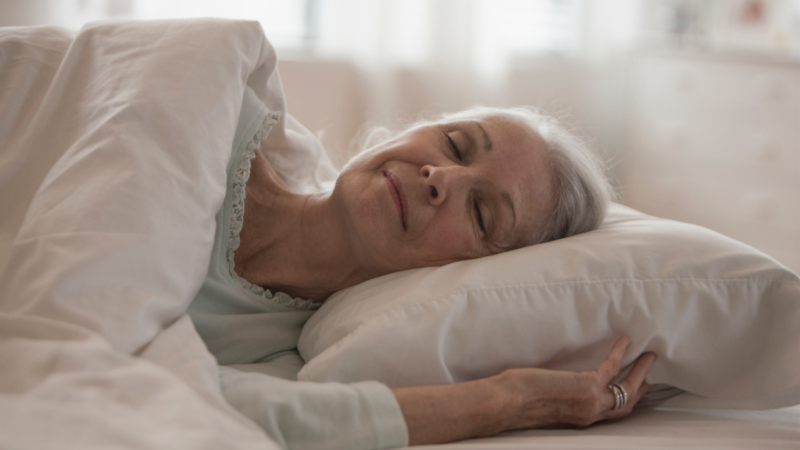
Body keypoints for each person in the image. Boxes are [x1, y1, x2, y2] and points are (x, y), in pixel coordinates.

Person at [188, 87, 657, 450]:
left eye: (480, 215)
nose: (441, 178)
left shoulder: (280, 355)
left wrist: (514, 399)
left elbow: (218, 408)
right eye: (454, 144)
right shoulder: (218, 114)